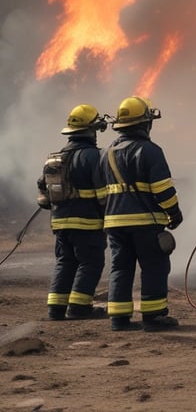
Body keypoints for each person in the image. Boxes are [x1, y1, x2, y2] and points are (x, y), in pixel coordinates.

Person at [101, 96, 183, 332]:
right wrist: (174, 213)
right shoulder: (150, 150)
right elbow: (162, 189)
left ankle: (118, 318)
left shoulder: (107, 153)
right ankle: (154, 316)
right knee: (154, 266)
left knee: (120, 267)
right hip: (145, 222)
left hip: (115, 222)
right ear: (145, 124)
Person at [36, 104, 109, 320]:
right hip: (87, 223)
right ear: (90, 130)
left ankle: (56, 309)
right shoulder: (95, 157)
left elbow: (43, 188)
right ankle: (79, 307)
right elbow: (103, 193)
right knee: (91, 262)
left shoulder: (55, 158)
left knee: (65, 262)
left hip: (60, 224)